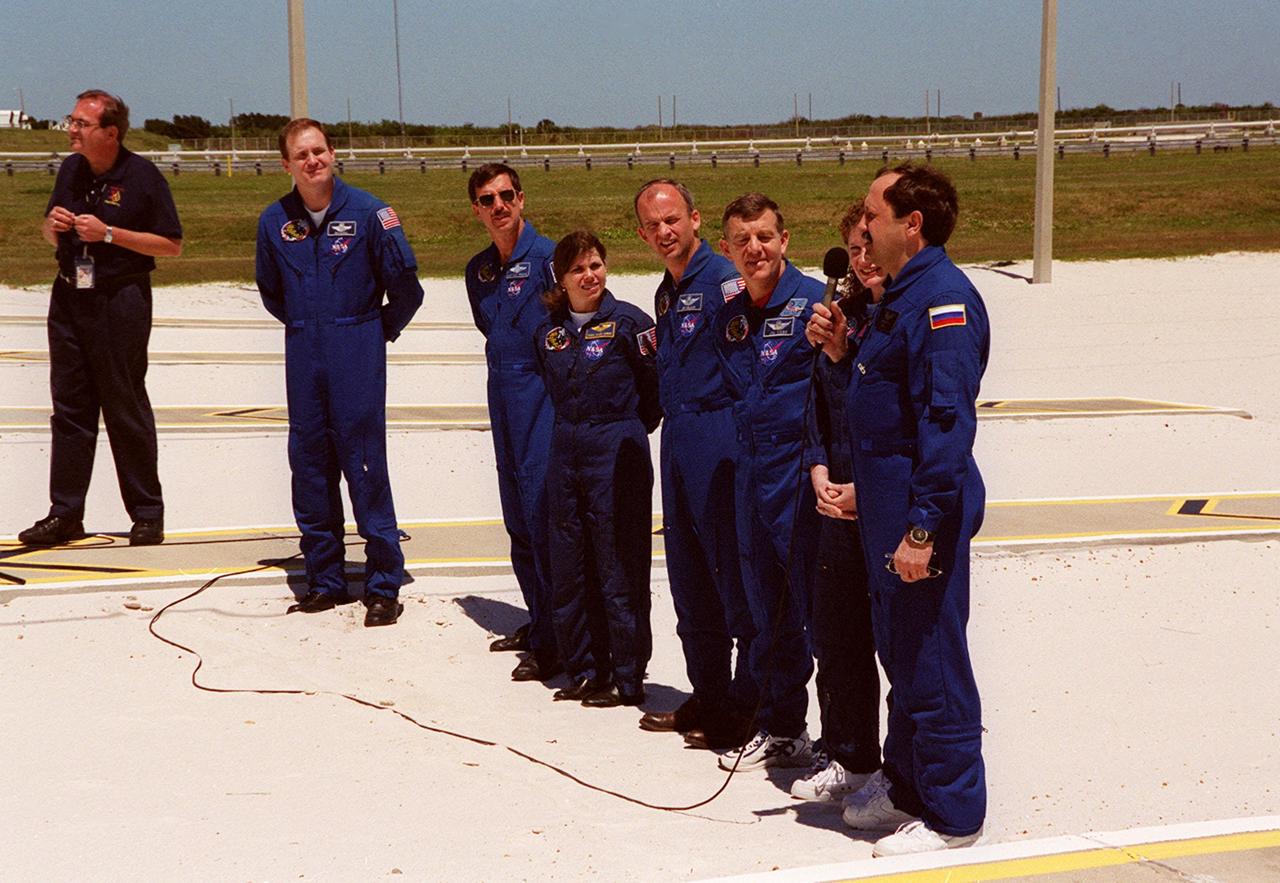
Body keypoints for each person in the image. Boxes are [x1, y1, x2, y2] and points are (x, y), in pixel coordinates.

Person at [837, 163, 989, 856]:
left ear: (911, 224)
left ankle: (955, 812)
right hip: (888, 507)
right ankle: (906, 783)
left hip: (919, 512)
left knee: (931, 656)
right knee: (901, 649)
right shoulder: (902, 295)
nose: (863, 226)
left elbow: (945, 422)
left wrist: (923, 526)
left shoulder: (942, 302)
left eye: (873, 214)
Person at [255, 118, 423, 628]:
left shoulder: (373, 214)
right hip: (304, 350)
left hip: (358, 350)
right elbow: (271, 292)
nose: (312, 161)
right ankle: (323, 579)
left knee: (365, 463)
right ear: (286, 164)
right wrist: (311, 327)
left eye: (319, 151)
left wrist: (372, 334)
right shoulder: (273, 222)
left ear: (333, 154)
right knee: (309, 462)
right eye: (301, 155)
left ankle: (383, 584)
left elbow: (408, 290)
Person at [19, 90, 182, 549]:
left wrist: (109, 233)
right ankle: (65, 513)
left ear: (110, 132)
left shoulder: (142, 177)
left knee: (123, 404)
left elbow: (171, 244)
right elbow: (49, 233)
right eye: (71, 121)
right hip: (70, 296)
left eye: (81, 124)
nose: (72, 129)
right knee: (70, 409)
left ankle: (147, 513)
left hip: (119, 299)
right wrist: (53, 226)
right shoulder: (71, 169)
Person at [632, 179, 755, 748]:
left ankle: (745, 707)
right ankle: (706, 693)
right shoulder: (667, 292)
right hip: (678, 440)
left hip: (719, 438)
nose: (665, 232)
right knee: (687, 577)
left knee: (732, 576)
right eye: (653, 225)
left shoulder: (724, 283)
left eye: (673, 219)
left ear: (695, 219)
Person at [710, 193, 823, 770]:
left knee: (808, 605)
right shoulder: (729, 316)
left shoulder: (816, 306)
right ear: (726, 249)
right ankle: (784, 727)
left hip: (800, 475)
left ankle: (846, 745)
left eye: (765, 236)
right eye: (742, 240)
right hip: (750, 471)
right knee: (761, 604)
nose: (754, 249)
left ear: (784, 241)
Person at [534, 231, 661, 707]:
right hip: (566, 447)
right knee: (571, 561)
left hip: (617, 445)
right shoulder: (547, 332)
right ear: (560, 280)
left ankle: (628, 676)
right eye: (578, 270)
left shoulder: (632, 324)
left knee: (620, 564)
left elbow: (654, 393)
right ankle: (585, 668)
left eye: (596, 266)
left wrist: (624, 429)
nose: (590, 277)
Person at [791, 201, 885, 802]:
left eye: (871, 244)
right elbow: (821, 408)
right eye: (853, 249)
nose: (862, 258)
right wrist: (819, 466)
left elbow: (887, 417)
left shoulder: (896, 320)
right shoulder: (841, 316)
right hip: (836, 496)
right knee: (836, 634)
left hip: (880, 498)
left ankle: (898, 773)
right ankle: (851, 758)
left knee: (896, 648)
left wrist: (865, 491)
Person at [464, 163, 561, 681]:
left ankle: (560, 636)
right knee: (517, 517)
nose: (498, 206)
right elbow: (491, 328)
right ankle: (540, 617)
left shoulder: (549, 260)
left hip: (540, 395)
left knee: (543, 514)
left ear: (521, 200)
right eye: (486, 199)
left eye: (506, 196)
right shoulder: (477, 271)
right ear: (476, 210)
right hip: (501, 392)